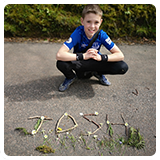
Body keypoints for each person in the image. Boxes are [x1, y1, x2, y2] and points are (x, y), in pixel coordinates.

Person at [56, 4, 128, 92]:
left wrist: (101, 57)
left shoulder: (102, 35)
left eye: (96, 22)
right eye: (88, 22)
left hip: (95, 61)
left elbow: (120, 55)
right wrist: (83, 56)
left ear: (101, 22)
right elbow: (60, 54)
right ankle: (70, 77)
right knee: (61, 63)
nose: (92, 26)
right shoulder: (78, 33)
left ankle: (98, 73)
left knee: (122, 66)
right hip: (81, 63)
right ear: (82, 21)